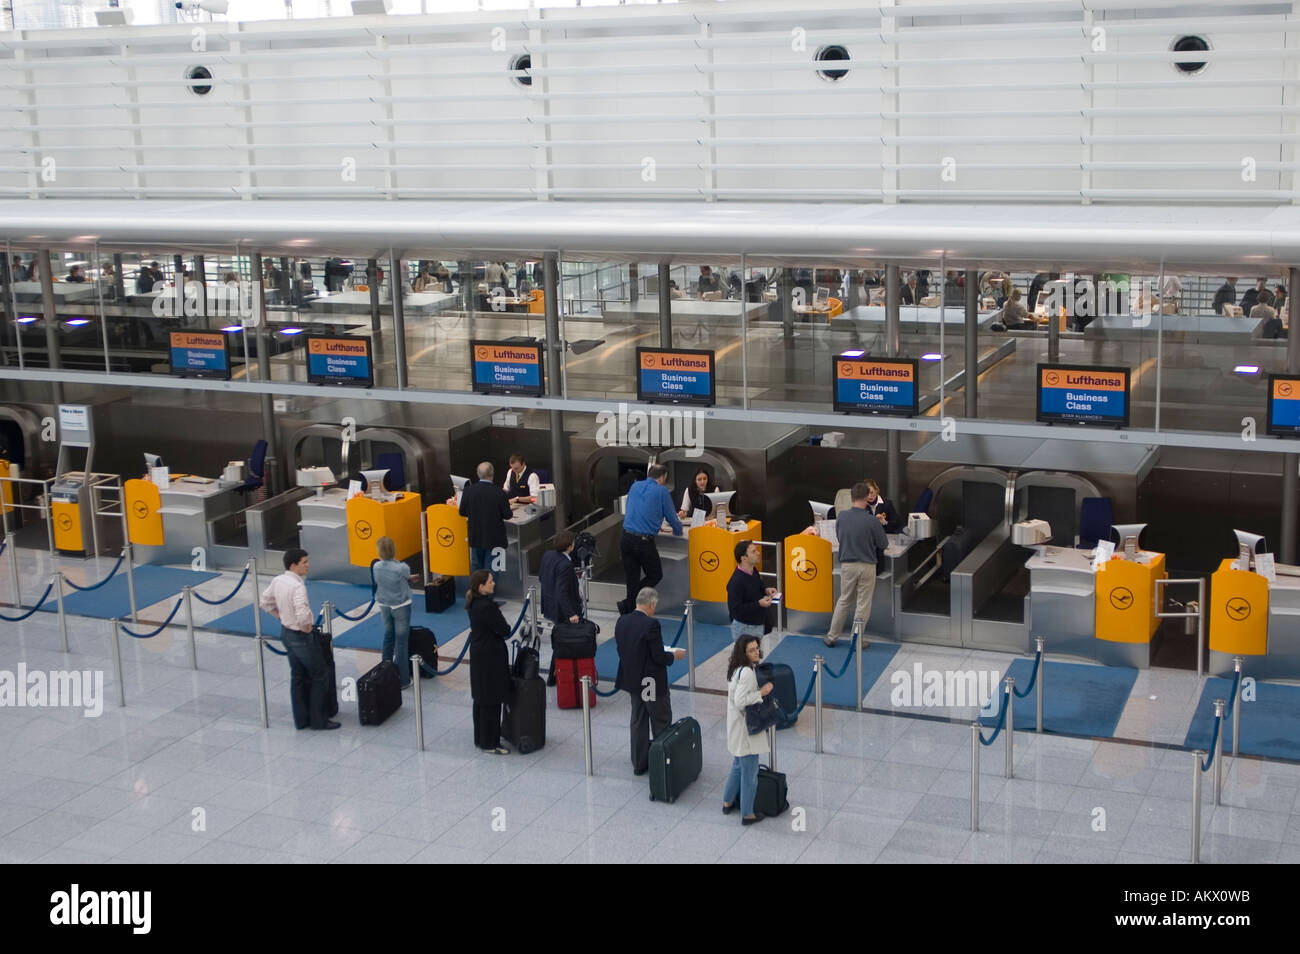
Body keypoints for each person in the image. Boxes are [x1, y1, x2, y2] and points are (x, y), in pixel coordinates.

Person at [259, 548, 339, 731]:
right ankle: (319, 720)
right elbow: (302, 614)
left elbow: (265, 602)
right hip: (300, 635)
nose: (308, 565)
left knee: (297, 676)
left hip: (286, 632)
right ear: (294, 565)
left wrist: (279, 616)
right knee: (320, 675)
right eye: (304, 562)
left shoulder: (278, 580)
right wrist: (306, 628)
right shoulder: (297, 586)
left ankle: (301, 719)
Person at [614, 586, 686, 775]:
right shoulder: (651, 625)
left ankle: (639, 763)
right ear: (651, 604)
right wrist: (674, 656)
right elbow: (658, 657)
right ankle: (662, 762)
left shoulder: (622, 621)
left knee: (638, 719)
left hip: (632, 679)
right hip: (650, 682)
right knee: (660, 719)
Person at [823, 482, 889, 648]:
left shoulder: (842, 517)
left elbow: (840, 536)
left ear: (851, 497)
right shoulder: (872, 521)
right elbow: (883, 543)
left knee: (844, 600)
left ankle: (831, 636)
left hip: (847, 565)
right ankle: (856, 639)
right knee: (863, 604)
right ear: (867, 498)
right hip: (867, 566)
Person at [722, 634, 773, 825]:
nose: (756, 652)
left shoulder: (735, 669)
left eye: (756, 648)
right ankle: (747, 813)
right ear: (743, 653)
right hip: (746, 730)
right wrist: (762, 692)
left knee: (737, 765)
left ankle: (727, 801)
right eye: (751, 650)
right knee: (750, 774)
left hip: (736, 727)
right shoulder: (748, 673)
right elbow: (741, 701)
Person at [619, 463, 683, 615]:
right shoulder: (662, 491)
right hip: (643, 542)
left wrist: (652, 522)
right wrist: (678, 530)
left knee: (632, 578)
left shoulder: (635, 487)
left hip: (626, 537)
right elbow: (672, 517)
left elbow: (634, 508)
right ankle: (630, 602)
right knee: (655, 574)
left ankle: (628, 608)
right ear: (662, 477)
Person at [466, 569, 512, 755]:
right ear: (481, 586)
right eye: (490, 581)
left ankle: (481, 737)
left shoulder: (474, 603)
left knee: (481, 698)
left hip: (479, 654)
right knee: (492, 699)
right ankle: (490, 742)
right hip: (490, 657)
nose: (494, 583)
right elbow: (504, 629)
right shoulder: (487, 607)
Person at [373, 535, 426, 689]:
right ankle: (403, 680)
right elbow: (403, 575)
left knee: (388, 637)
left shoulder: (376, 567)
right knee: (401, 643)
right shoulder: (402, 568)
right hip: (401, 606)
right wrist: (409, 578)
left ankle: (384, 674)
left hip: (384, 605)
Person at [540, 529, 583, 685]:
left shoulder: (548, 556)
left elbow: (541, 578)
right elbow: (562, 592)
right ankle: (554, 676)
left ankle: (556, 675)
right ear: (570, 546)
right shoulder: (565, 565)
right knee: (562, 642)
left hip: (550, 605)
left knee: (558, 640)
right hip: (562, 610)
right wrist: (571, 613)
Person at [459, 461, 511, 579]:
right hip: (495, 539)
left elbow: (462, 512)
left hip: (475, 536)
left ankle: (476, 593)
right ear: (492, 474)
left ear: (478, 474)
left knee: (476, 567)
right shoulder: (499, 492)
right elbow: (508, 515)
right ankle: (489, 595)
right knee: (492, 569)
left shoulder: (468, 491)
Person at [727, 540, 775, 640]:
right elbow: (735, 610)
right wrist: (758, 604)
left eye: (756, 550)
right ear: (744, 558)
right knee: (747, 655)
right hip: (745, 627)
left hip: (757, 623)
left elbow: (758, 586)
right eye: (753, 552)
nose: (758, 553)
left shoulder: (753, 571)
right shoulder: (736, 582)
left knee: (756, 654)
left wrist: (766, 590)